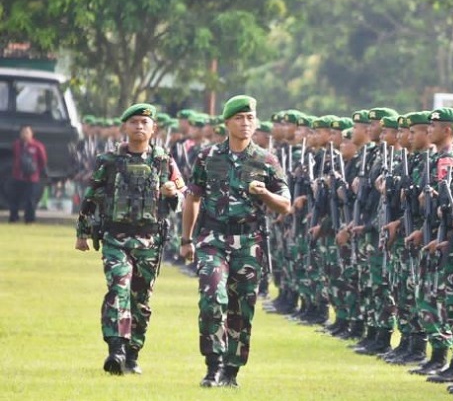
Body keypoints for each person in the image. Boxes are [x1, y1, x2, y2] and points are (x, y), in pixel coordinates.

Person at [180, 95, 291, 388]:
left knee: (242, 308)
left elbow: (285, 204)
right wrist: (186, 239)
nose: (246, 123)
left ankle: (232, 369)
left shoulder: (266, 160)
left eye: (250, 118)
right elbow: (193, 196)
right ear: (227, 122)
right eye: (239, 118)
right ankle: (213, 365)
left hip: (248, 241)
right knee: (212, 297)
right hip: (213, 237)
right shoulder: (208, 157)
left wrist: (265, 195)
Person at [75, 103, 184, 375]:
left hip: (149, 242)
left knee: (141, 300)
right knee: (118, 290)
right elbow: (92, 197)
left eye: (144, 123)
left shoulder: (164, 160)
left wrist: (172, 193)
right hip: (115, 239)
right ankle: (116, 349)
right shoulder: (109, 161)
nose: (139, 127)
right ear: (124, 127)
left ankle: (133, 353)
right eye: (133, 122)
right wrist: (83, 233)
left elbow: (182, 198)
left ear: (153, 129)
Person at [9, 125, 48, 223]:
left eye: (27, 132)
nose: (24, 135)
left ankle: (30, 219)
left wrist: (36, 170)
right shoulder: (17, 145)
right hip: (17, 176)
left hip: (32, 177)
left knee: (30, 200)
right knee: (14, 199)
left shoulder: (37, 146)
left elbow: (42, 160)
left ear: (31, 134)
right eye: (23, 132)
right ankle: (13, 218)